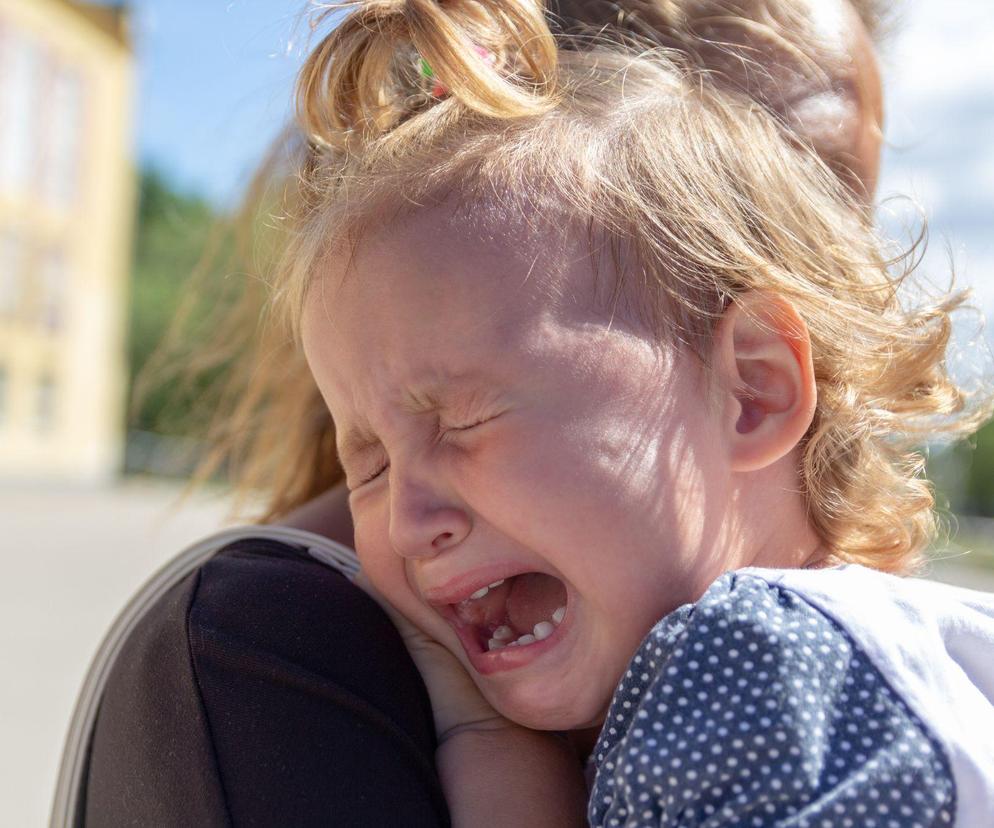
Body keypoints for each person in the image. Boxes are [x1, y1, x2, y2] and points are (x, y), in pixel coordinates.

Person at [64, 1, 994, 826]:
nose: (410, 518)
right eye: (373, 463)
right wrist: (480, 726)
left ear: (754, 389)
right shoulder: (755, 676)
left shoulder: (762, 676)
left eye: (464, 419)